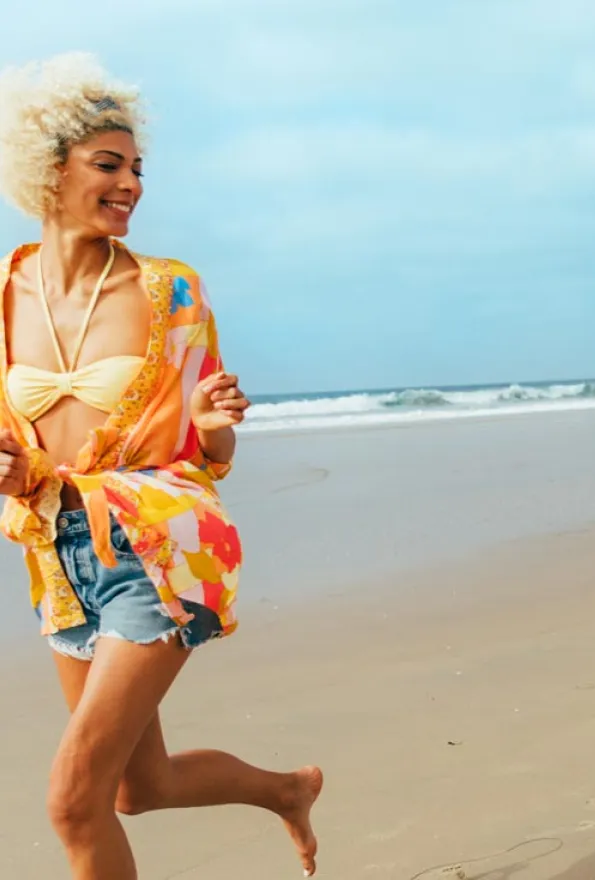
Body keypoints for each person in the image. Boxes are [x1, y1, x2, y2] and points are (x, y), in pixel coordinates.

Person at [0, 54, 322, 879]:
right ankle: (286, 789)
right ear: (49, 168)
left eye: (136, 168)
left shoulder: (171, 292)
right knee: (134, 790)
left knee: (72, 800)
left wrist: (214, 427)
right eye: (108, 165)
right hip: (59, 555)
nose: (131, 185)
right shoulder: (4, 295)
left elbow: (210, 456)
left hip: (159, 546)